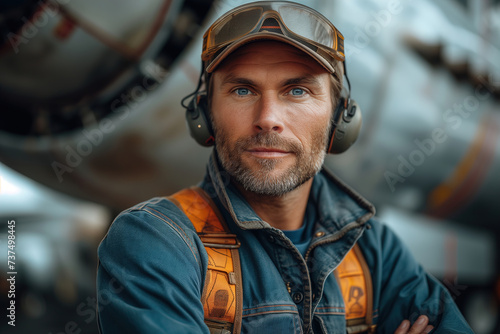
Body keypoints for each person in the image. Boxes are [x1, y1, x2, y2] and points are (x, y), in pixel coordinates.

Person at [96, 1, 473, 333]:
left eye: (298, 90)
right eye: (242, 90)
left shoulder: (375, 249)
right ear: (205, 116)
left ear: (340, 120)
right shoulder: (155, 242)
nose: (268, 118)